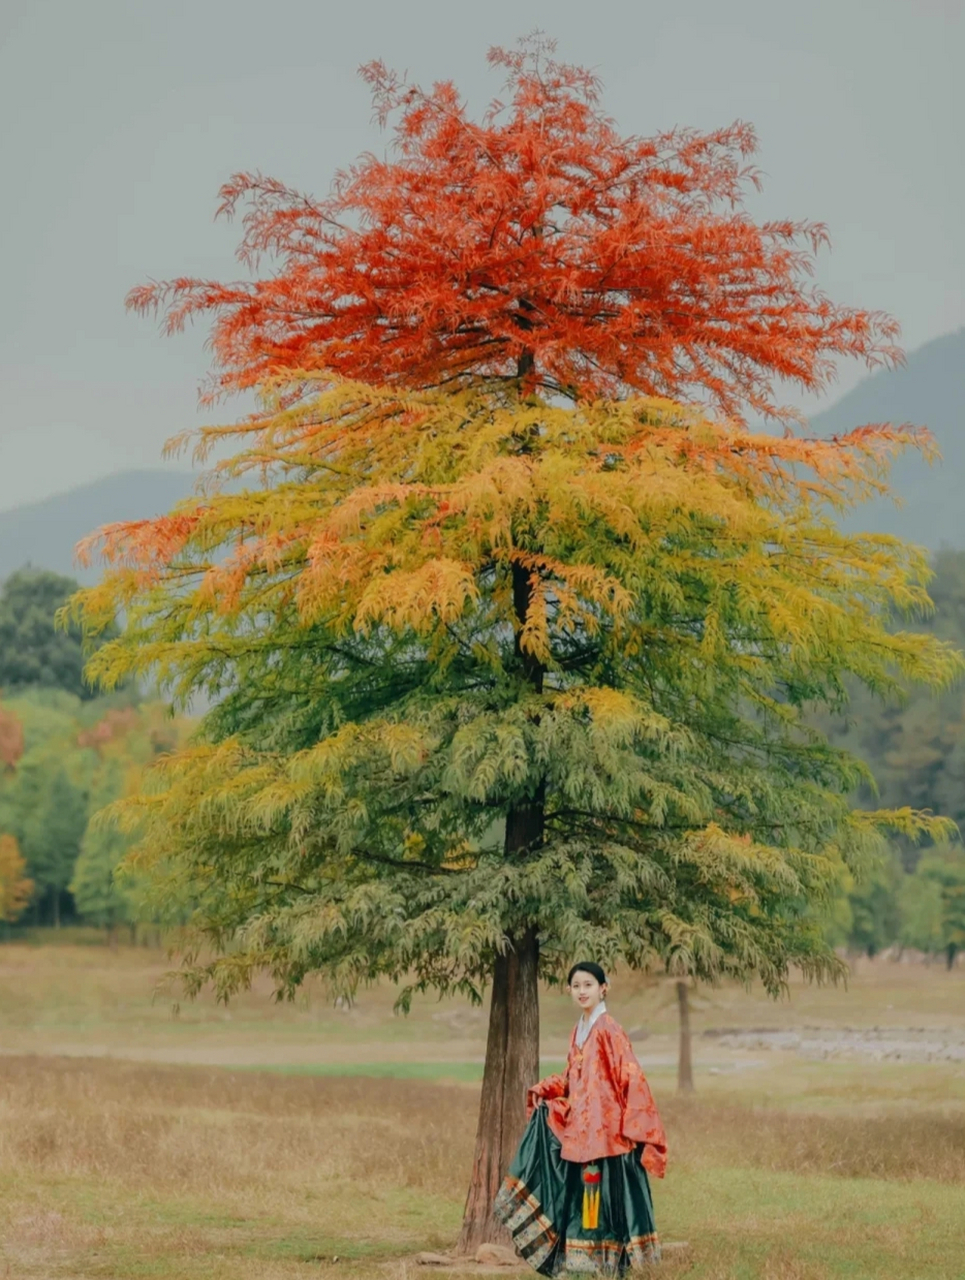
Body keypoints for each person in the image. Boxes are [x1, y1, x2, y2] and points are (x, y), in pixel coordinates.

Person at [494, 962, 667, 1274]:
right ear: (570, 991)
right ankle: (590, 1264)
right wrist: (548, 1089)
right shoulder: (580, 1029)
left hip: (612, 1135)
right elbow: (574, 1078)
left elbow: (632, 1077)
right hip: (585, 1134)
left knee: (614, 1204)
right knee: (587, 1198)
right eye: (576, 986)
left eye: (588, 985)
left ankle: (624, 1265)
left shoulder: (609, 1029)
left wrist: (639, 1131)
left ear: (603, 988)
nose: (582, 991)